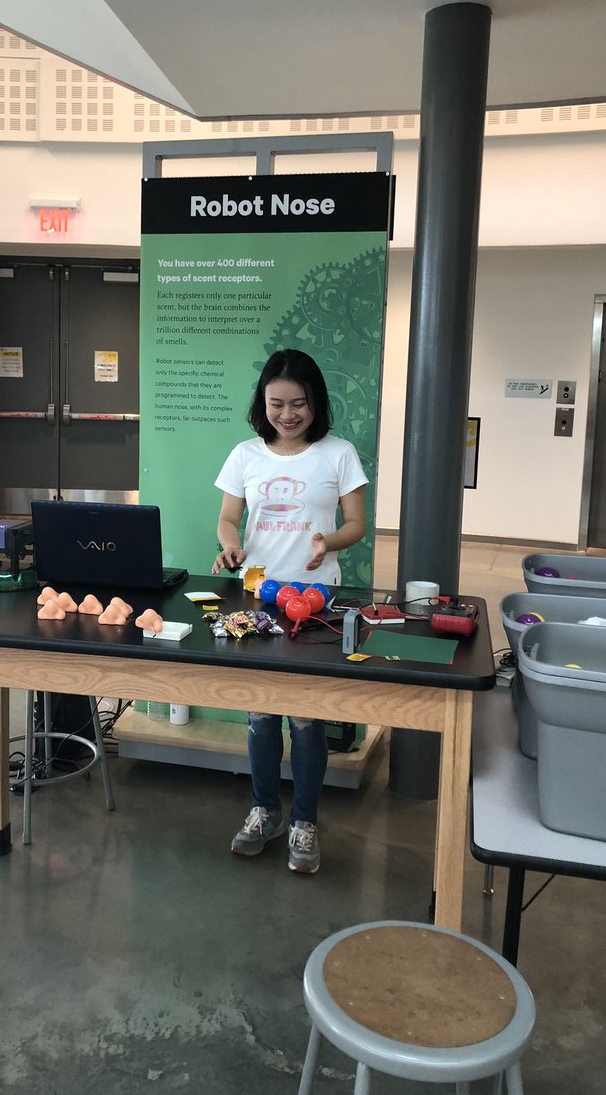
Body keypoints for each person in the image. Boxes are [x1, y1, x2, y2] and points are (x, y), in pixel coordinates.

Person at [212, 349, 368, 875]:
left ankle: (304, 821)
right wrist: (230, 546)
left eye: (298, 403)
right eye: (276, 403)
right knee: (260, 713)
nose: (287, 414)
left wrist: (331, 542)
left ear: (315, 403)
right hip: (258, 598)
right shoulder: (245, 454)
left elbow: (356, 524)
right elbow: (229, 519)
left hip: (315, 602)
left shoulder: (339, 453)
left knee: (305, 718)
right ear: (263, 403)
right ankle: (264, 811)